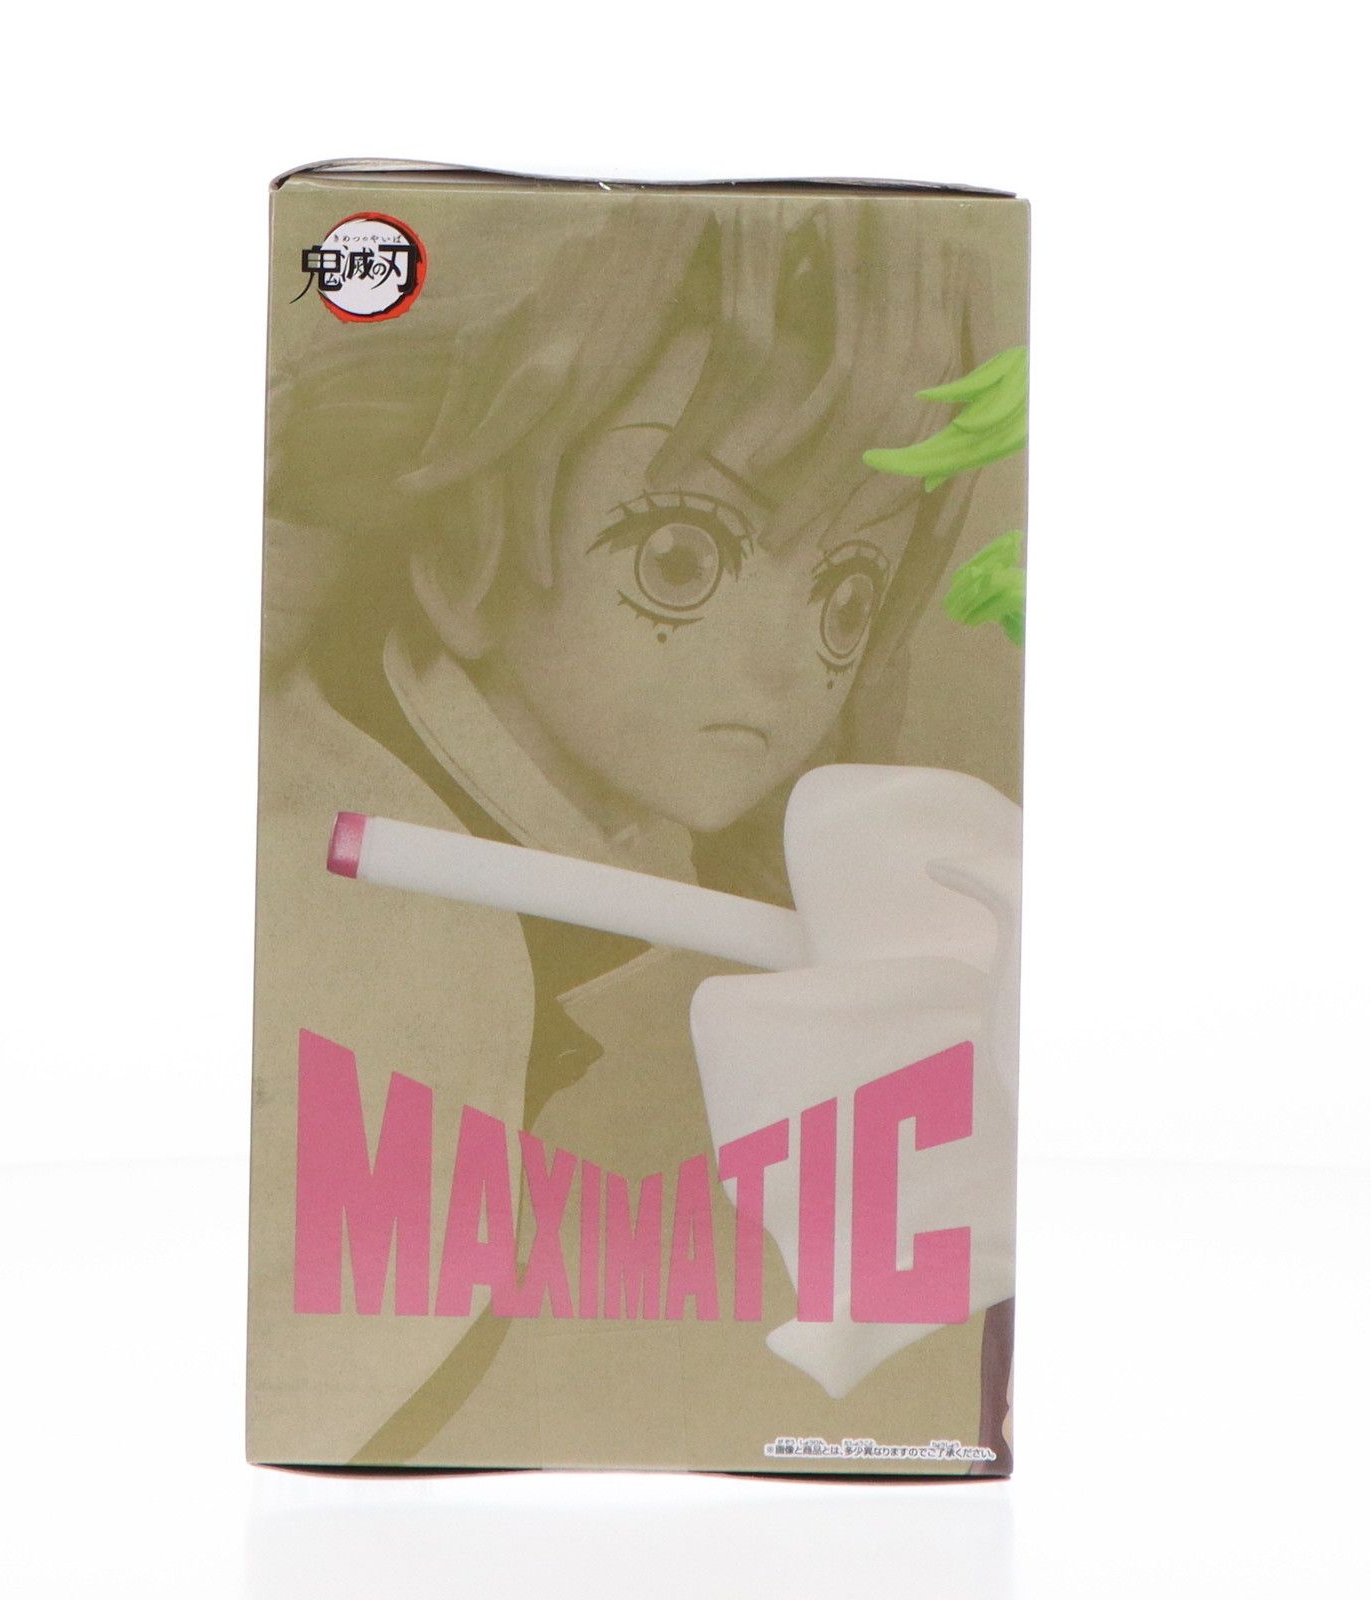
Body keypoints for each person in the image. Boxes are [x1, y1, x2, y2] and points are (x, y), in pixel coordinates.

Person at [250, 190, 1021, 1469]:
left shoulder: (568, 866)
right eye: (680, 557)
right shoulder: (391, 947)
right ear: (471, 541)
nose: (784, 670)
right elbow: (324, 1380)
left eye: (845, 596)